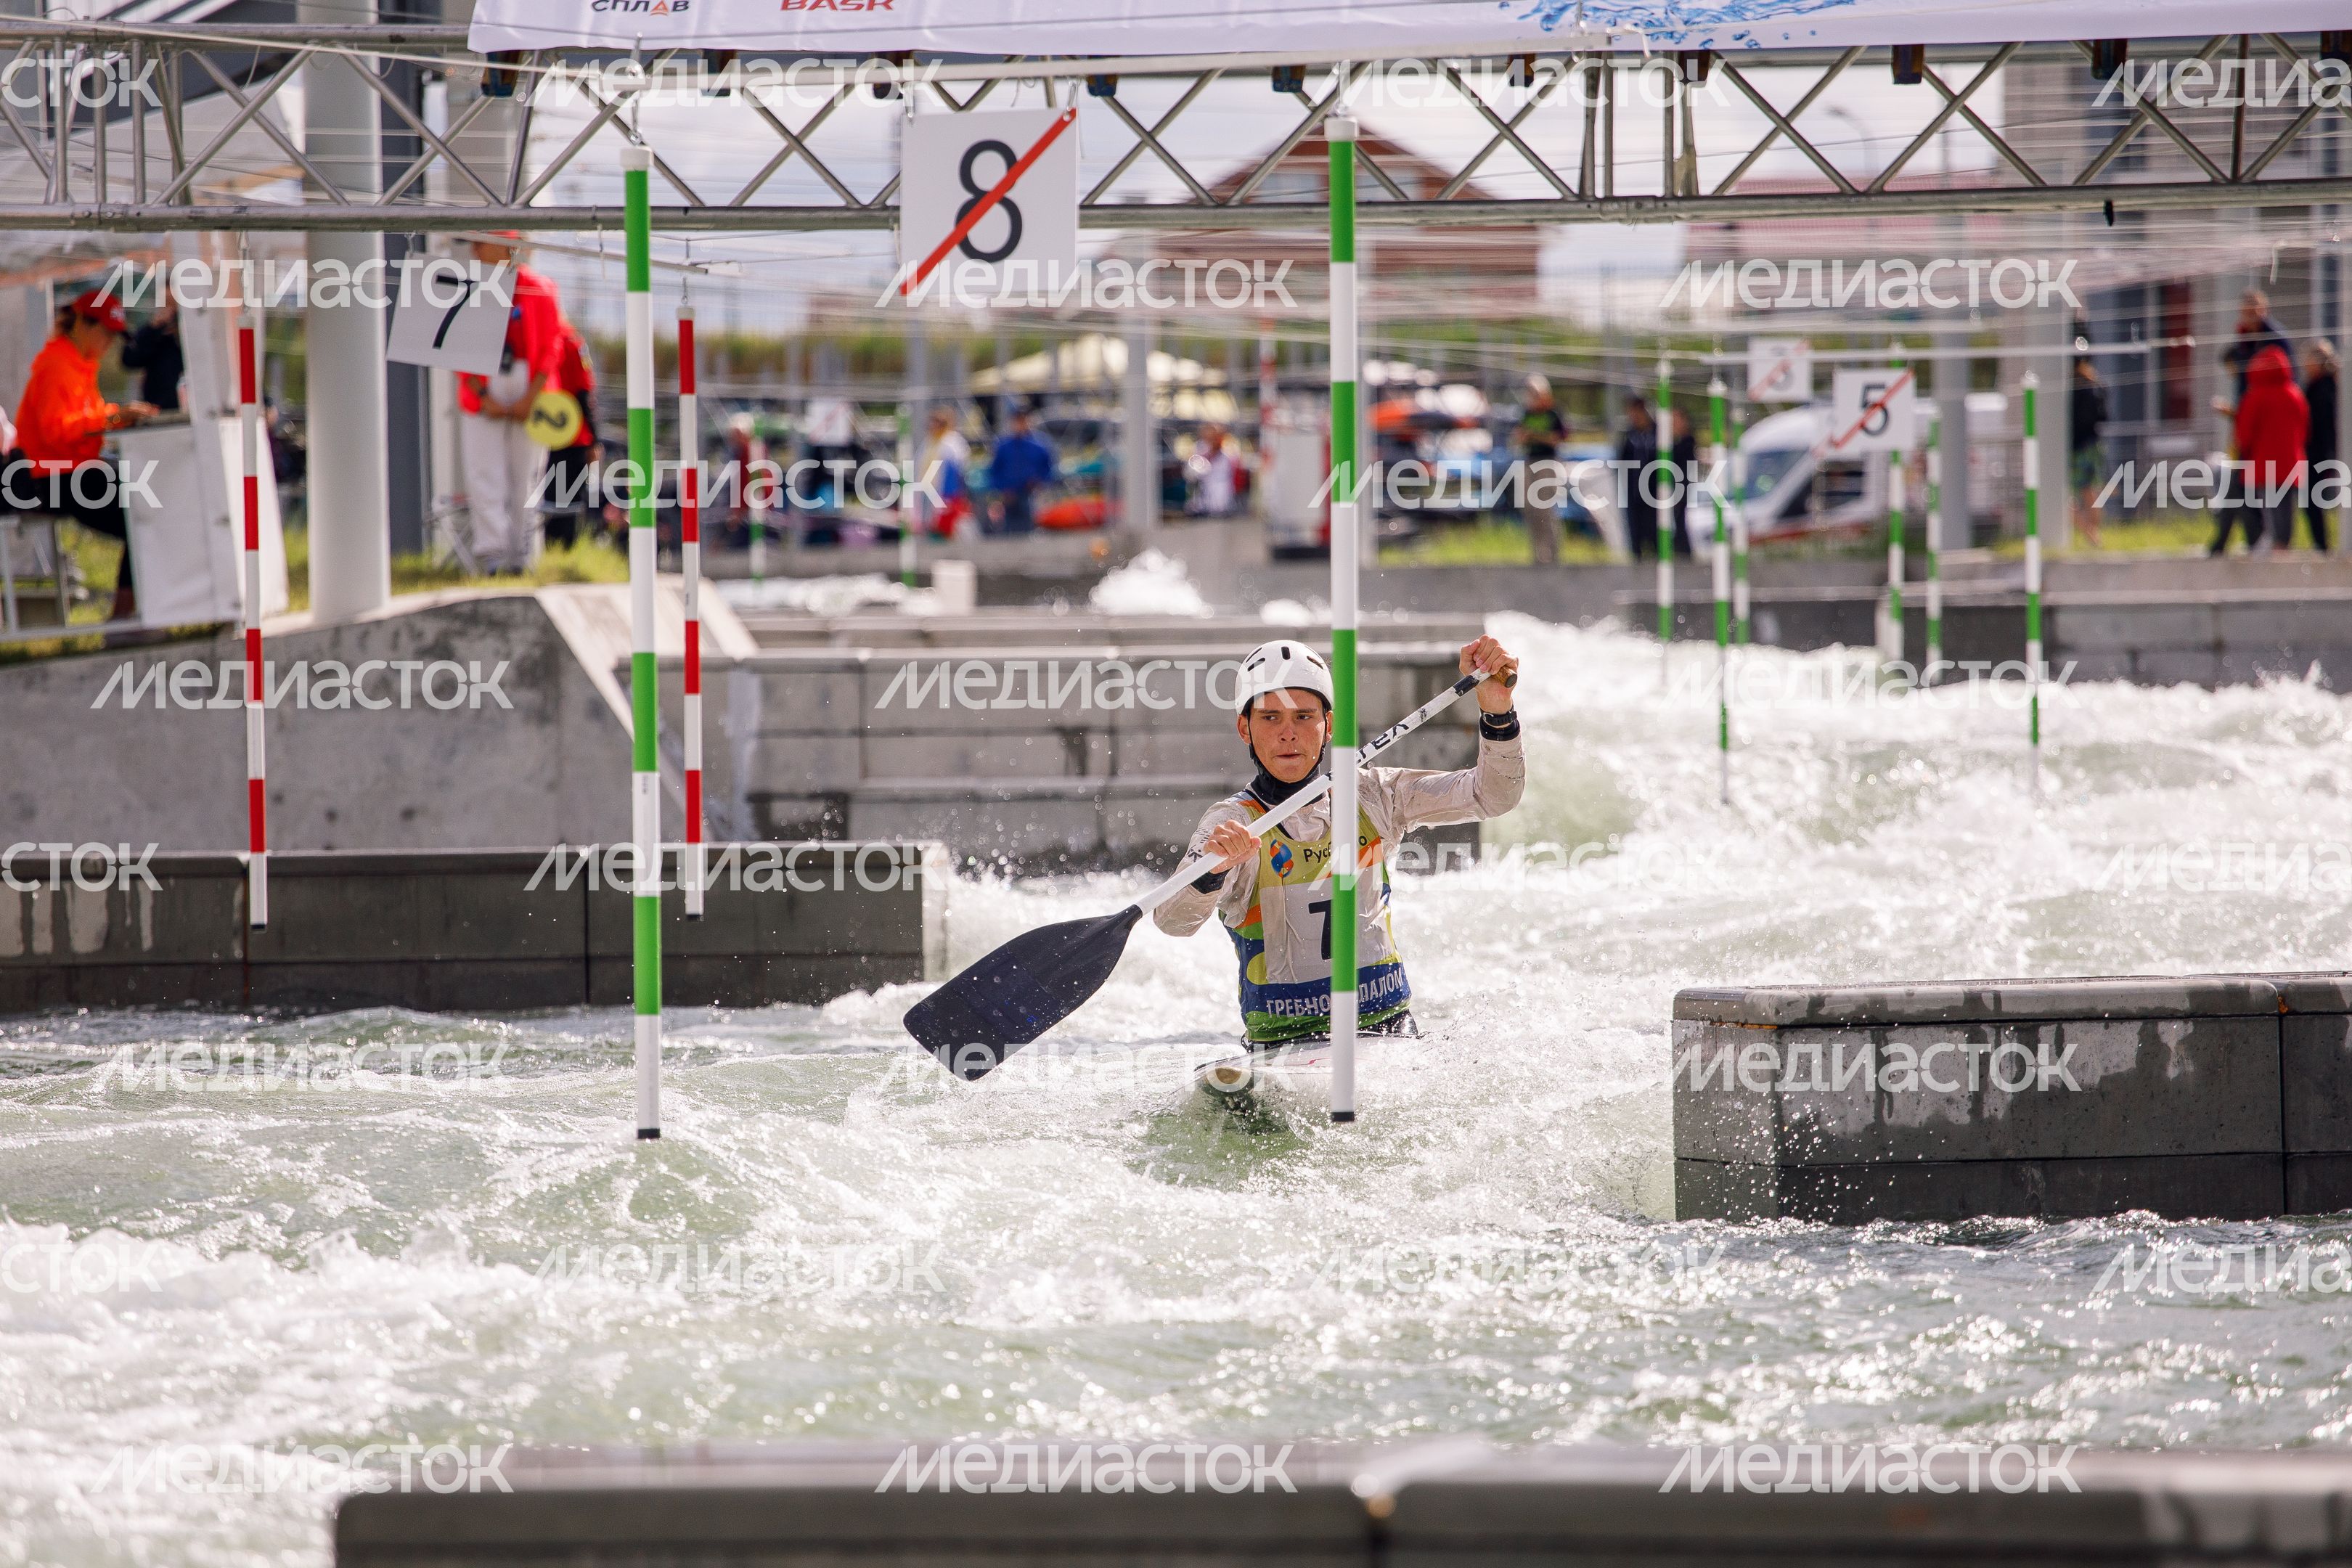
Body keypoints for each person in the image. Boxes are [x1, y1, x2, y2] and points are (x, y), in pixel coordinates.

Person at [1153, 636, 1524, 1048]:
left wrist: (1497, 711)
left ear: (1328, 726)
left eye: (1303, 717)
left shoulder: (1375, 795)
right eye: (1270, 718)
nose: (1288, 735)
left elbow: (1492, 795)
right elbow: (1172, 921)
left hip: (1388, 1030)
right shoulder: (1232, 824)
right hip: (1283, 1044)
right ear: (1245, 728)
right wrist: (1212, 873)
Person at [12, 289, 155, 621]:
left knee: (146, 507)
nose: (109, 344)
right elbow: (56, 430)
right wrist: (115, 418)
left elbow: (90, 416)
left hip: (73, 472)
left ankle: (129, 612)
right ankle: (123, 617)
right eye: (107, 334)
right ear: (84, 325)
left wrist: (121, 415)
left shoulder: (79, 364)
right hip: (52, 479)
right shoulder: (57, 364)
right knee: (142, 514)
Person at [456, 232, 563, 573]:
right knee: (484, 471)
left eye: (480, 243)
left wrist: (530, 398)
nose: (474, 250)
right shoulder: (465, 287)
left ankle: (525, 555)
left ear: (507, 247)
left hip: (529, 386)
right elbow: (454, 345)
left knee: (526, 474)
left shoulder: (540, 288)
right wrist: (483, 396)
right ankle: (493, 555)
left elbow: (551, 347)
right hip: (483, 386)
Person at [2234, 343, 2308, 554]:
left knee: (2269, 505)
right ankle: (2284, 545)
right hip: (2291, 460)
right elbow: (2304, 428)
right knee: (2286, 507)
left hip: (2265, 461)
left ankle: (2275, 545)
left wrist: (2244, 451)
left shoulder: (2255, 396)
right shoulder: (2295, 394)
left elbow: (2245, 433)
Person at [538, 316, 601, 550]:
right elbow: (584, 391)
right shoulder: (573, 342)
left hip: (544, 432)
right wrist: (595, 438)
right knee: (570, 503)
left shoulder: (543, 341)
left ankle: (551, 551)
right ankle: (566, 552)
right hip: (574, 436)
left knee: (551, 501)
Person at [1515, 375, 1569, 565]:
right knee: (1530, 510)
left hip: (1548, 462)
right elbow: (1519, 437)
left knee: (1546, 510)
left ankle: (1553, 556)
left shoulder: (1553, 414)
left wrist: (1535, 436)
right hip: (1530, 461)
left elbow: (1559, 438)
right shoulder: (1527, 414)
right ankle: (1538, 554)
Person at [985, 406, 1055, 534]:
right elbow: (995, 471)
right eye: (1018, 421)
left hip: (1030, 493)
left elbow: (1049, 469)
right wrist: (1002, 489)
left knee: (1030, 526)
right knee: (1009, 529)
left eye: (1023, 420)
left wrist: (1040, 484)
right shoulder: (1004, 446)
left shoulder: (1039, 445)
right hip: (1009, 495)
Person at [118, 297, 183, 412]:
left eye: (173, 303)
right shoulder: (154, 336)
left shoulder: (188, 336)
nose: (169, 310)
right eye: (166, 303)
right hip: (159, 410)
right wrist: (153, 328)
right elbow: (129, 359)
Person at [1614, 396, 1660, 560]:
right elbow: (1622, 461)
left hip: (1655, 494)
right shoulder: (1629, 436)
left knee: (1656, 533)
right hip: (1635, 494)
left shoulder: (1658, 434)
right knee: (1636, 536)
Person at [916, 405, 972, 539]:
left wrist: (950, 495)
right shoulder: (929, 443)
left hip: (947, 494)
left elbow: (957, 470)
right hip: (928, 491)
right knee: (931, 526)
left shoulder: (953, 442)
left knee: (949, 527)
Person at [2303, 340, 2338, 552]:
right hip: (2319, 453)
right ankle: (2322, 544)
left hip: (2320, 455)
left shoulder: (2324, 388)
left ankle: (2323, 545)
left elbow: (2324, 425)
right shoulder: (2319, 385)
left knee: (2313, 501)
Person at [2071, 359, 2108, 548]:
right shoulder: (2095, 383)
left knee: (2065, 496)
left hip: (2076, 448)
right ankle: (2094, 536)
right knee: (2091, 491)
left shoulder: (2074, 387)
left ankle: (2090, 534)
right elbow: (2105, 416)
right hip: (2094, 445)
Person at [1187, 423, 1240, 517]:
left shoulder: (1228, 449)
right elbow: (1193, 473)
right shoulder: (1199, 448)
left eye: (1215, 436)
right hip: (1202, 493)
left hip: (1222, 494)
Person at [1667, 405, 1698, 558]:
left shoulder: (1687, 442)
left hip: (1683, 487)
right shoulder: (1680, 443)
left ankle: (1684, 551)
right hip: (1676, 487)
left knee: (1681, 520)